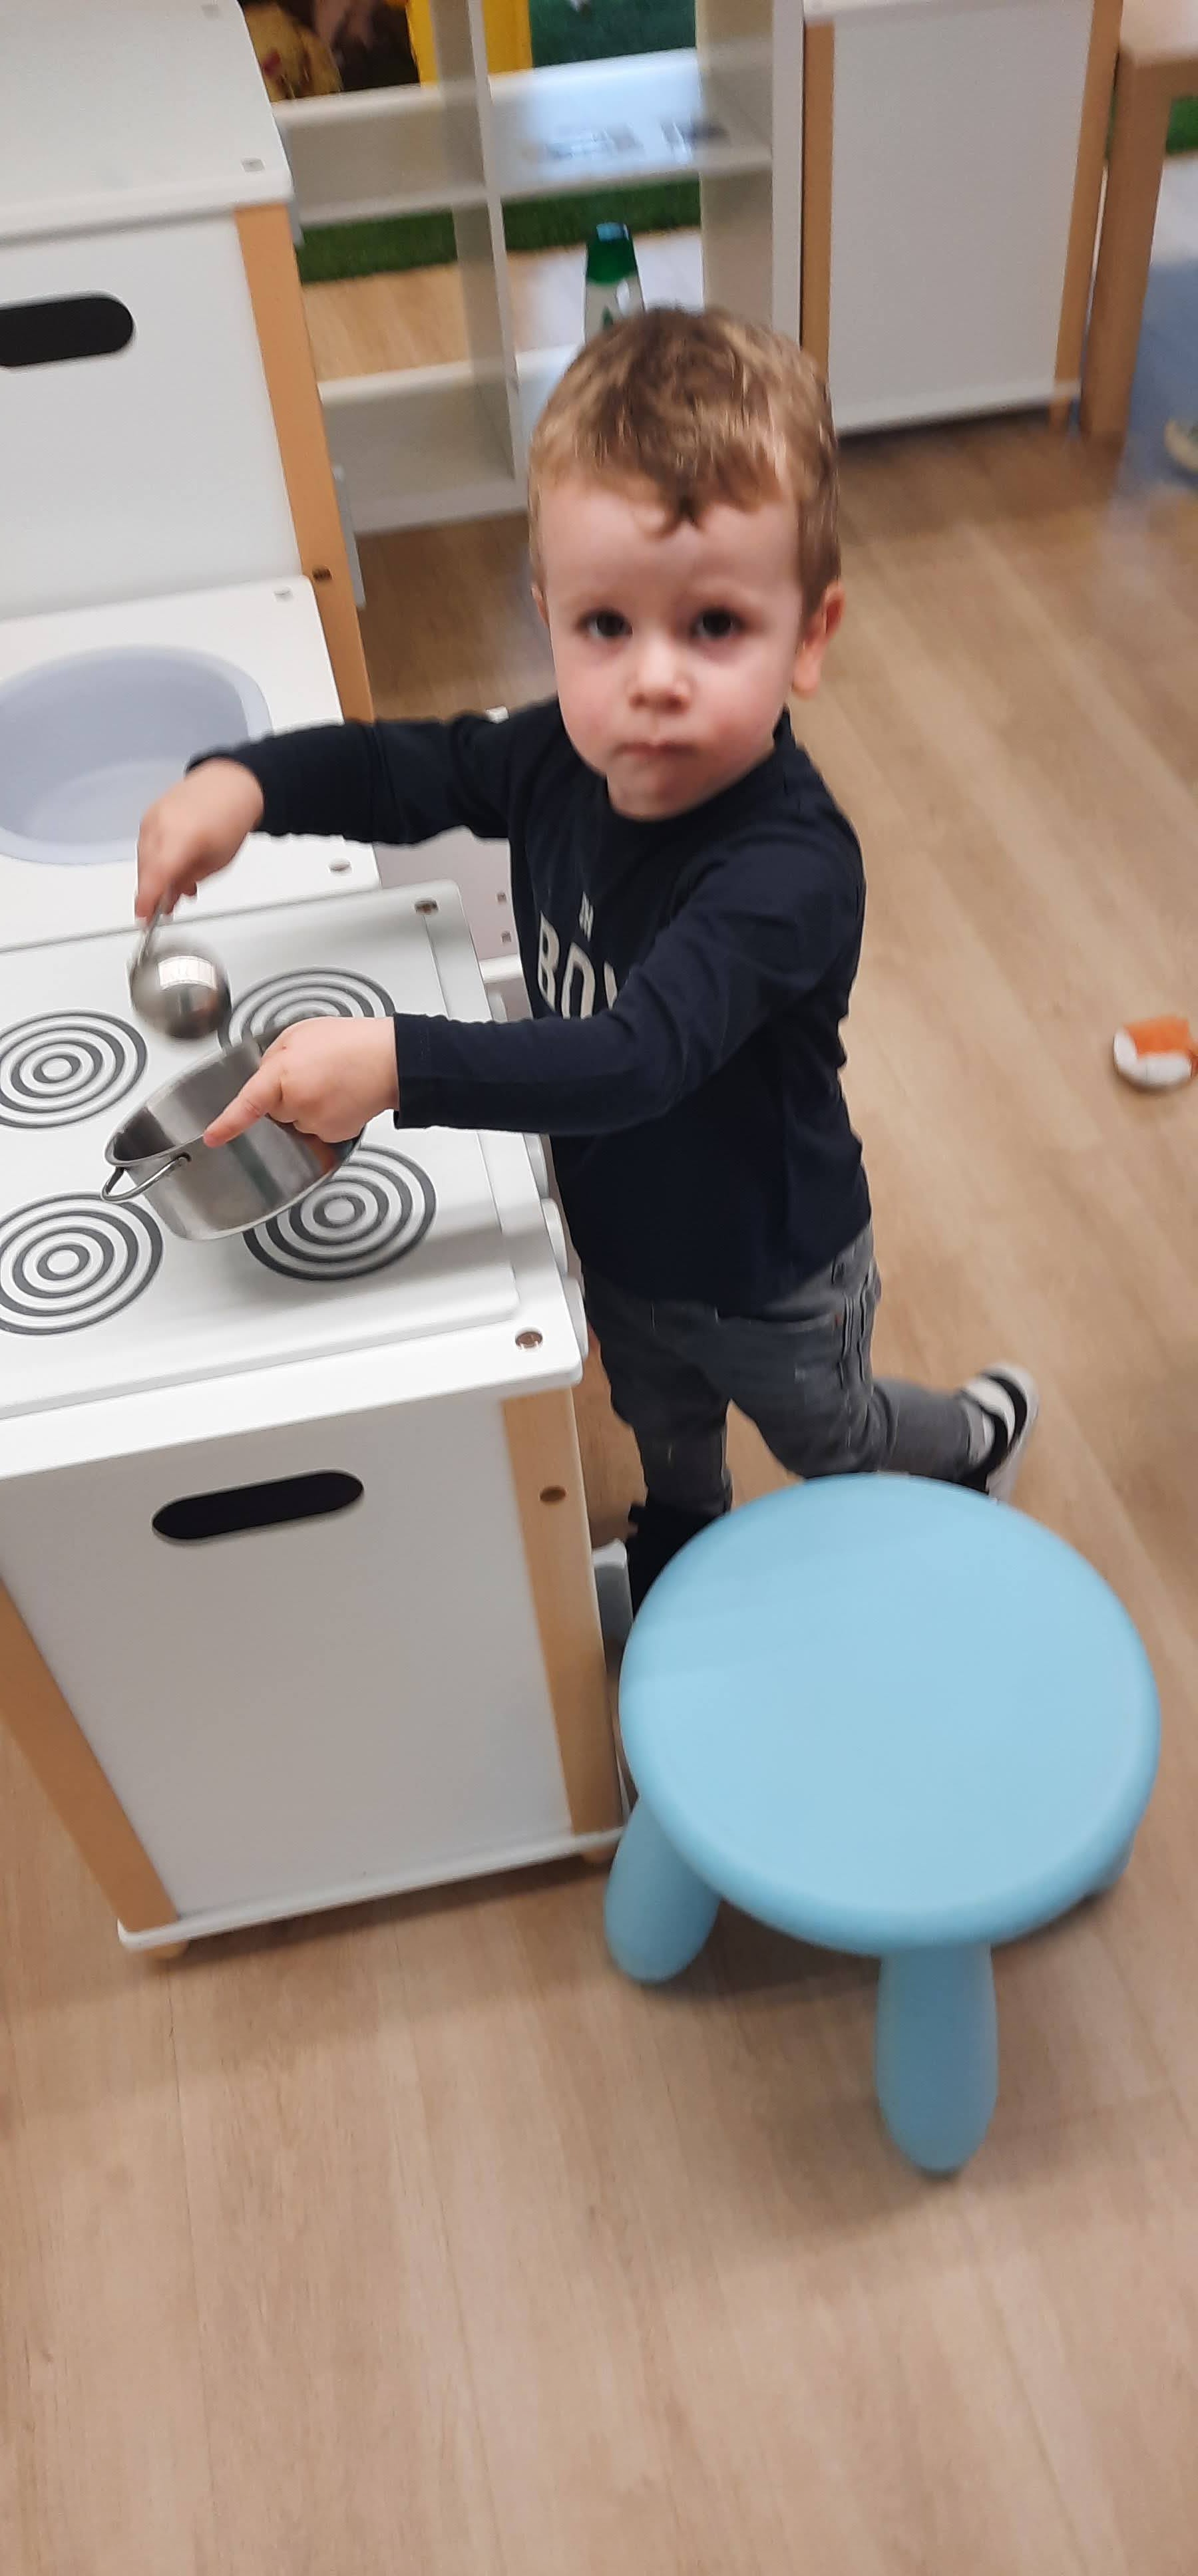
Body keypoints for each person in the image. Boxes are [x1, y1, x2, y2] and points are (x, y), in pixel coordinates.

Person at [136, 309, 1037, 1609]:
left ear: (810, 632)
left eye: (714, 624)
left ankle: (968, 1440)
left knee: (830, 1439)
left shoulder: (786, 868)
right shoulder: (557, 756)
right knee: (660, 1422)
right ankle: (679, 1536)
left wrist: (397, 1063)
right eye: (606, 624)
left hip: (775, 1269)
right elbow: (406, 767)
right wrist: (245, 783)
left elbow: (636, 1057)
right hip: (622, 1239)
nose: (652, 678)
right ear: (548, 614)